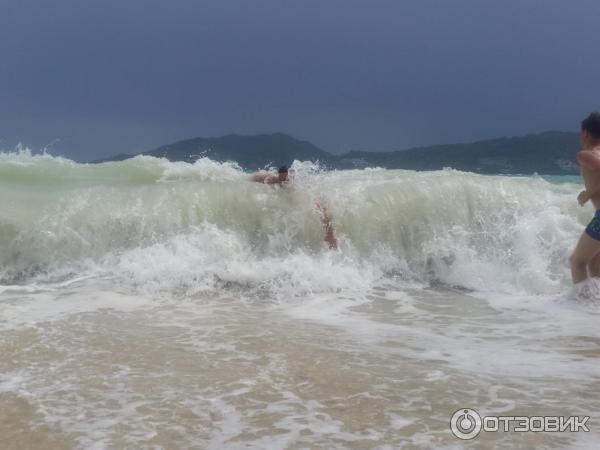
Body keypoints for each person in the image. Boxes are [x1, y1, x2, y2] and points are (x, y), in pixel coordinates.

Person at [250, 165, 338, 249]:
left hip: (307, 198)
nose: (284, 181)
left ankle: (330, 235)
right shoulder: (272, 179)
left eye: (286, 179)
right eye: (282, 179)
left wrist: (329, 232)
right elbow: (255, 178)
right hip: (279, 196)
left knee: (320, 205)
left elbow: (314, 200)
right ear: (279, 176)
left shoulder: (294, 184)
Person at [570, 112, 600, 284]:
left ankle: (581, 305)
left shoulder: (586, 154)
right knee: (595, 265)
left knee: (577, 263)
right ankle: (594, 308)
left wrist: (587, 194)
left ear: (586, 133)